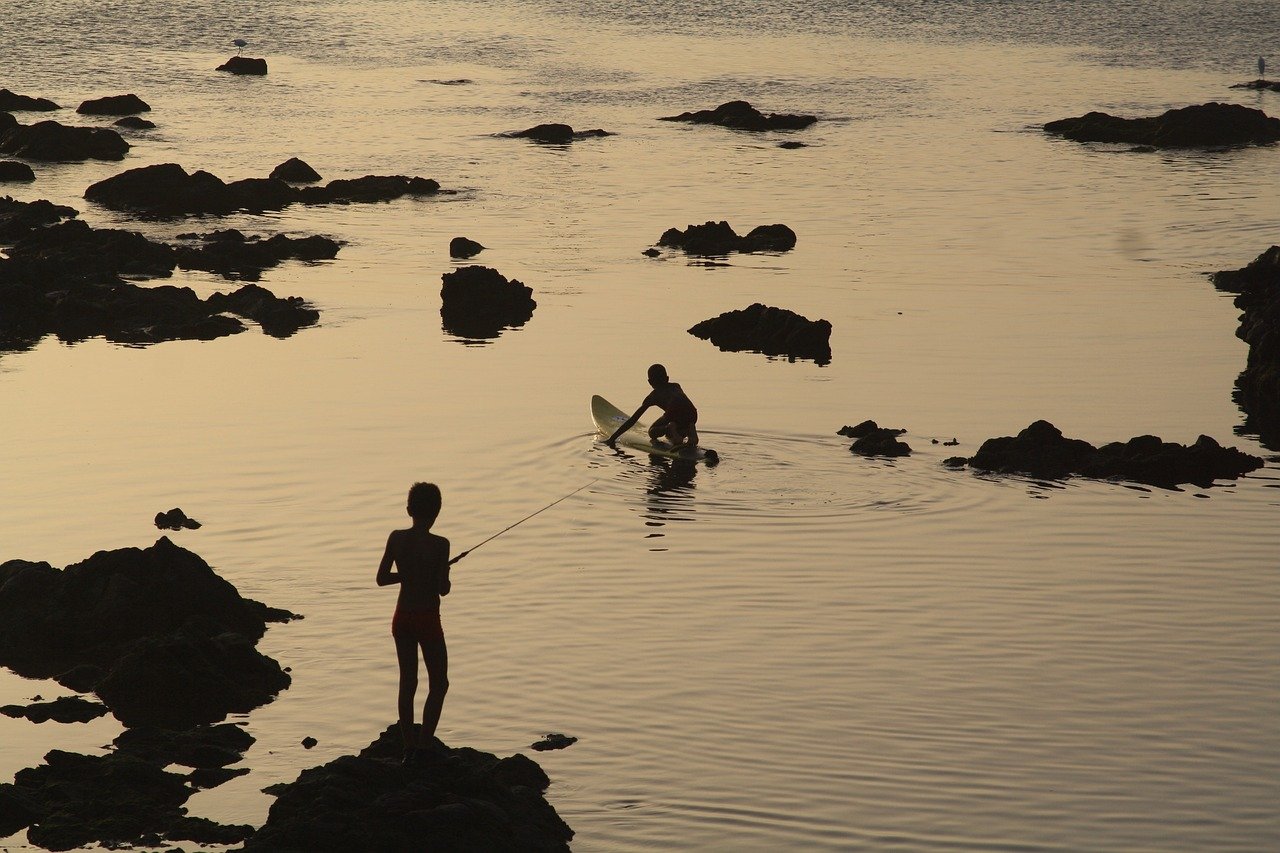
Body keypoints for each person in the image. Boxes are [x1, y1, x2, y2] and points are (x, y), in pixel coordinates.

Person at [376, 482, 451, 765]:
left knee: (408, 682)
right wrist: (438, 572)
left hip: (402, 618)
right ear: (437, 512)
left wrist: (406, 574)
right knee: (439, 683)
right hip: (427, 618)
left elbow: (382, 578)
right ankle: (425, 747)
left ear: (409, 510)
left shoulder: (396, 538)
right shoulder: (440, 544)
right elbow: (443, 588)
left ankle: (408, 747)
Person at [606, 363, 700, 449]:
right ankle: (691, 431)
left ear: (650, 382)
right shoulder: (676, 386)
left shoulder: (653, 396)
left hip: (673, 413)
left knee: (652, 432)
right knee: (679, 427)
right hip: (692, 413)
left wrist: (612, 438)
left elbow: (633, 420)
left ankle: (670, 428)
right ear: (667, 378)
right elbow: (682, 405)